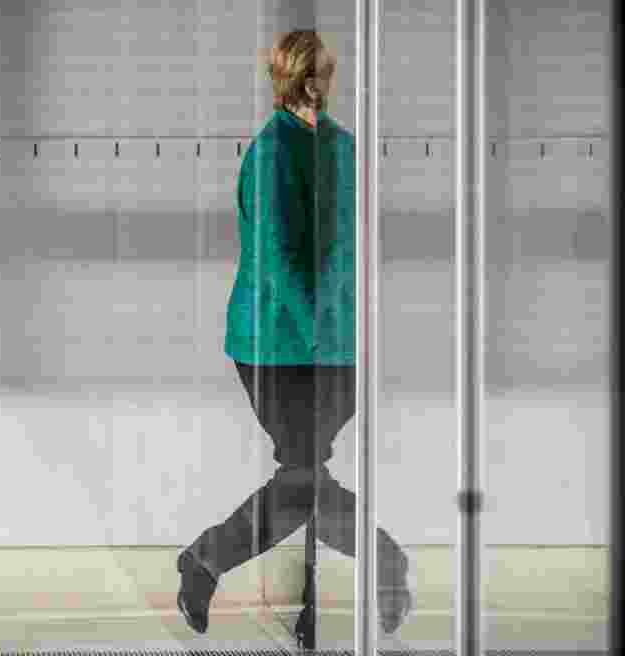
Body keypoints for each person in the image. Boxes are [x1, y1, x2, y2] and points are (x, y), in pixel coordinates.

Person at [176, 30, 412, 642]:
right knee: (305, 476)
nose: (318, 87)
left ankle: (213, 564)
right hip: (277, 346)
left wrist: (348, 333)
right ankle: (383, 569)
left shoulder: (343, 147)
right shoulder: (272, 153)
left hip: (337, 343)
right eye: (308, 76)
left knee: (305, 480)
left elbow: (356, 244)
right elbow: (276, 260)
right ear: (288, 80)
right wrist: (320, 335)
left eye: (324, 75)